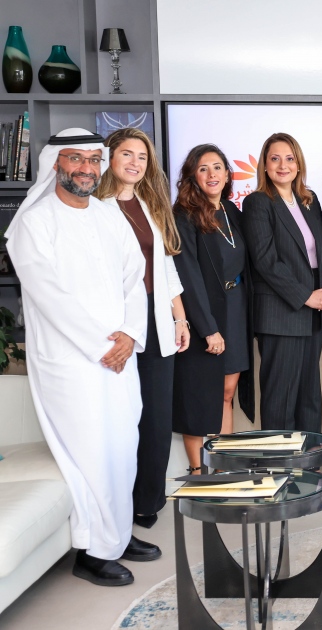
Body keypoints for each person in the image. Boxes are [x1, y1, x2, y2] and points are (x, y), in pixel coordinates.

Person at [6, 128, 160, 587]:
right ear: (55, 163)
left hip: (120, 355)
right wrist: (102, 346)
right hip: (71, 361)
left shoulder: (108, 215)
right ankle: (94, 551)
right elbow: (49, 296)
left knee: (122, 445)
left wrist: (130, 334)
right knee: (91, 450)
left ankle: (117, 533)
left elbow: (135, 278)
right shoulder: (34, 223)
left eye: (93, 160)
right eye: (75, 159)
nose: (86, 169)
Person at [95, 128, 191, 529]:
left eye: (142, 156)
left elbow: (165, 266)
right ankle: (116, 504)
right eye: (127, 154)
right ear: (108, 158)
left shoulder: (150, 205)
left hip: (156, 317)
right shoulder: (95, 208)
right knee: (121, 416)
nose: (135, 163)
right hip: (116, 324)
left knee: (156, 416)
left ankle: (147, 501)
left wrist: (179, 317)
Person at [242, 133, 322, 432]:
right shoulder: (258, 202)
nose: (283, 165)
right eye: (275, 159)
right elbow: (266, 260)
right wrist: (307, 296)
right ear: (265, 164)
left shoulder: (309, 200)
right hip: (281, 313)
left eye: (289, 158)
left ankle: (309, 459)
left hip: (314, 313)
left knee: (309, 397)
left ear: (298, 164)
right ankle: (280, 460)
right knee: (280, 400)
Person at [172, 144, 255, 473]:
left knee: (226, 392)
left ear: (227, 174)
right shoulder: (184, 216)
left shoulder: (231, 211)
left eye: (217, 167)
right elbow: (188, 277)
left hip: (234, 309)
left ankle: (223, 467)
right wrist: (207, 328)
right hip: (202, 315)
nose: (211, 174)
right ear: (192, 175)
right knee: (200, 396)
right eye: (203, 168)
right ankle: (197, 472)